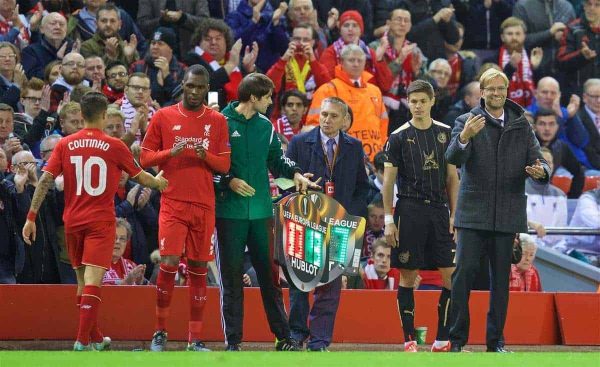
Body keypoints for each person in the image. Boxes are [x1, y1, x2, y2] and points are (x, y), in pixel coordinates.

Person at [21, 92, 167, 351]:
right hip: (100, 222)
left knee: (82, 282)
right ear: (102, 115)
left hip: (72, 222)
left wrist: (31, 216)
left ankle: (96, 337)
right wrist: (159, 182)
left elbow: (44, 181)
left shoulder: (65, 144)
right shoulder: (114, 146)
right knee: (93, 282)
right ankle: (81, 340)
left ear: (83, 115)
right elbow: (141, 176)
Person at [445, 68, 550, 352]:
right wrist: (464, 136)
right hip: (472, 213)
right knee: (463, 275)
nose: (496, 94)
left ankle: (496, 343)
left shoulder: (522, 124)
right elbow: (453, 157)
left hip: (507, 213)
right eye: (490, 89)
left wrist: (541, 171)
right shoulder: (465, 121)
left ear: (507, 91)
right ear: (481, 92)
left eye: (500, 89)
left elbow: (539, 161)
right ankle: (456, 341)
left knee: (501, 282)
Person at [216, 73, 318, 351]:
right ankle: (233, 341)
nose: (272, 102)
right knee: (232, 278)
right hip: (228, 212)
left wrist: (296, 173)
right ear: (253, 97)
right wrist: (228, 181)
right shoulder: (219, 123)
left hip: (261, 211)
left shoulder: (266, 126)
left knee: (269, 277)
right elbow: (208, 168)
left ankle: (283, 337)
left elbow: (277, 159)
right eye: (268, 97)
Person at [140, 65, 231, 352]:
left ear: (207, 89)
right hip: (173, 201)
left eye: (200, 87)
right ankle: (160, 332)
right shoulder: (164, 116)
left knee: (198, 267)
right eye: (190, 86)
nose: (194, 92)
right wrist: (172, 152)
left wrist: (207, 157)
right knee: (167, 262)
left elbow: (225, 165)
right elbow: (144, 158)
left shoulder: (217, 120)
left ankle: (195, 338)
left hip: (204, 204)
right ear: (183, 85)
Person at [285, 96, 369, 351]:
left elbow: (361, 188)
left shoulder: (354, 147)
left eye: (333, 116)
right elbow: (281, 180)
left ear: (345, 120)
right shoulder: (299, 142)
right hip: (305, 222)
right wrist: (296, 185)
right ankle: (297, 334)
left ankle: (319, 340)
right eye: (323, 114)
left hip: (339, 228)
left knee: (331, 285)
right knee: (300, 282)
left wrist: (347, 217)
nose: (327, 120)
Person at [383, 79, 459, 353]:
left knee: (451, 274)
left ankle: (442, 339)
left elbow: (452, 177)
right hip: (409, 209)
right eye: (413, 101)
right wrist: (389, 220)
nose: (417, 106)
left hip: (439, 210)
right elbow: (388, 183)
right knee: (408, 275)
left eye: (422, 101)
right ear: (408, 103)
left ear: (431, 102)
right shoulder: (398, 136)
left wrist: (455, 214)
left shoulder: (447, 133)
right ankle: (409, 340)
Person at [306, 44, 388, 161]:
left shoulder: (375, 91)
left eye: (360, 60)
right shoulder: (328, 90)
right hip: (342, 158)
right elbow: (315, 126)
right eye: (351, 60)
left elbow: (383, 125)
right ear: (341, 62)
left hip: (374, 158)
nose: (356, 64)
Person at [368, 8, 425, 134]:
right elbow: (377, 80)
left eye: (406, 21)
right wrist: (400, 60)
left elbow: (423, 84)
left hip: (406, 107)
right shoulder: (375, 47)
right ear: (388, 23)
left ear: (410, 26)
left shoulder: (415, 50)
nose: (402, 24)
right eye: (399, 19)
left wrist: (417, 73)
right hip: (379, 105)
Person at [320, 11, 392, 93]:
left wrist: (379, 59)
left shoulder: (370, 53)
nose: (350, 29)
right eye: (346, 25)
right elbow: (328, 84)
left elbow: (386, 86)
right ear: (340, 30)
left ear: (361, 31)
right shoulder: (330, 52)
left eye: (355, 25)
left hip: (367, 99)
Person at [484, 17, 543, 108]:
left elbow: (541, 89)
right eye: (510, 34)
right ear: (502, 37)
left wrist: (535, 68)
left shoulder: (533, 56)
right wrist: (510, 67)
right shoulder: (491, 60)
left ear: (524, 36)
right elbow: (492, 90)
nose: (514, 37)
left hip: (532, 110)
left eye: (518, 34)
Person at [533, 108, 585, 198]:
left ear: (557, 126)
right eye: (542, 124)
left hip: (547, 195)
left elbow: (578, 172)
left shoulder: (561, 147)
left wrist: (572, 198)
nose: (547, 128)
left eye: (551, 124)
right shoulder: (524, 145)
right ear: (534, 127)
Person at [129, 27, 186, 106]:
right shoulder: (138, 67)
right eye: (153, 43)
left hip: (170, 114)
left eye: (160, 44)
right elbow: (128, 93)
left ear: (171, 48)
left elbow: (182, 100)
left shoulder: (182, 70)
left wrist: (167, 77)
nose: (155, 47)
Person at [137, 0, 209, 59]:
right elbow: (141, 26)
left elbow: (205, 23)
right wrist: (161, 21)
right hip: (155, 56)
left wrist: (183, 18)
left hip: (190, 53)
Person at [557, 0, 600, 97]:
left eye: (597, 5)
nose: (591, 8)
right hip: (577, 94)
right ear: (584, 6)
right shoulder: (573, 29)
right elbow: (561, 61)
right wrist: (581, 56)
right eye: (589, 4)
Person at [102, 217, 147, 286]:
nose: (118, 242)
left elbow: (150, 290)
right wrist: (126, 283)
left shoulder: (132, 266)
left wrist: (141, 284)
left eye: (122, 239)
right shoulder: (96, 265)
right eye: (114, 237)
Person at [578, 79, 600, 171]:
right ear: (584, 97)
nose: (599, 101)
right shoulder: (578, 119)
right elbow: (588, 151)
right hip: (590, 168)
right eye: (595, 96)